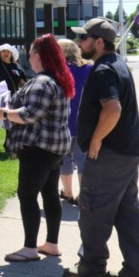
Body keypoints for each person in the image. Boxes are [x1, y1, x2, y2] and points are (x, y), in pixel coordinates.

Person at [63, 18, 139, 277]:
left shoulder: (103, 70)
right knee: (128, 212)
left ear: (98, 42)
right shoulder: (119, 64)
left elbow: (112, 109)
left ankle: (91, 266)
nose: (80, 43)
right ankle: (138, 272)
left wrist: (97, 139)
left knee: (92, 209)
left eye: (84, 39)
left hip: (110, 155)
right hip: (128, 152)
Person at [0, 33, 73, 263]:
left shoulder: (42, 82)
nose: (28, 58)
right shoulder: (58, 78)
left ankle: (29, 248)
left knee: (27, 195)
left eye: (30, 53)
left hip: (39, 148)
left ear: (38, 56)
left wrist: (5, 113)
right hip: (56, 148)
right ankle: (51, 244)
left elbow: (30, 114)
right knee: (49, 194)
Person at [57, 38, 92, 205]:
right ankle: (83, 196)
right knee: (82, 159)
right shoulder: (90, 68)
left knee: (65, 159)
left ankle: (68, 192)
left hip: (63, 123)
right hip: (84, 123)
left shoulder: (58, 72)